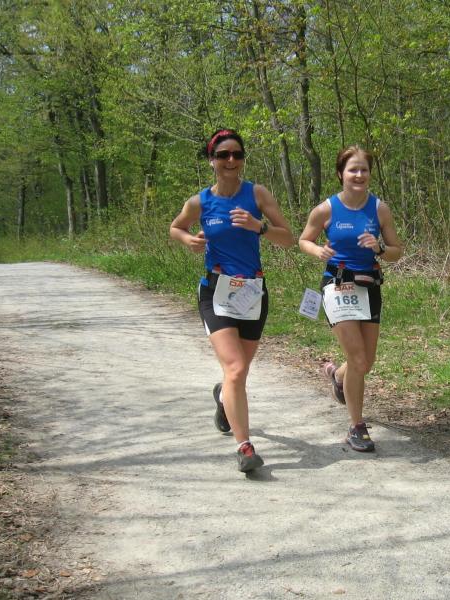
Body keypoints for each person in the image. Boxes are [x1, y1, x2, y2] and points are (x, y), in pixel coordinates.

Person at [169, 129, 294, 472]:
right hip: (216, 291)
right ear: (211, 160)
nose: (231, 160)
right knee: (236, 368)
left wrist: (259, 226)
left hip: (252, 291)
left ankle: (224, 397)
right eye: (223, 155)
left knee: (238, 373)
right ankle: (245, 447)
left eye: (237, 154)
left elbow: (288, 238)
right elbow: (176, 227)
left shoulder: (257, 194)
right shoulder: (200, 202)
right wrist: (187, 240)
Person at [299, 145, 403, 452]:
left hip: (369, 285)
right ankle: (356, 427)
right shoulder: (326, 209)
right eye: (352, 170)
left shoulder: (380, 209)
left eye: (364, 170)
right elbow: (304, 239)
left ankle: (338, 376)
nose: (359, 175)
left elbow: (397, 252)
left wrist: (379, 248)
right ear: (340, 174)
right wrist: (318, 250)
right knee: (358, 358)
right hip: (338, 284)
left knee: (365, 362)